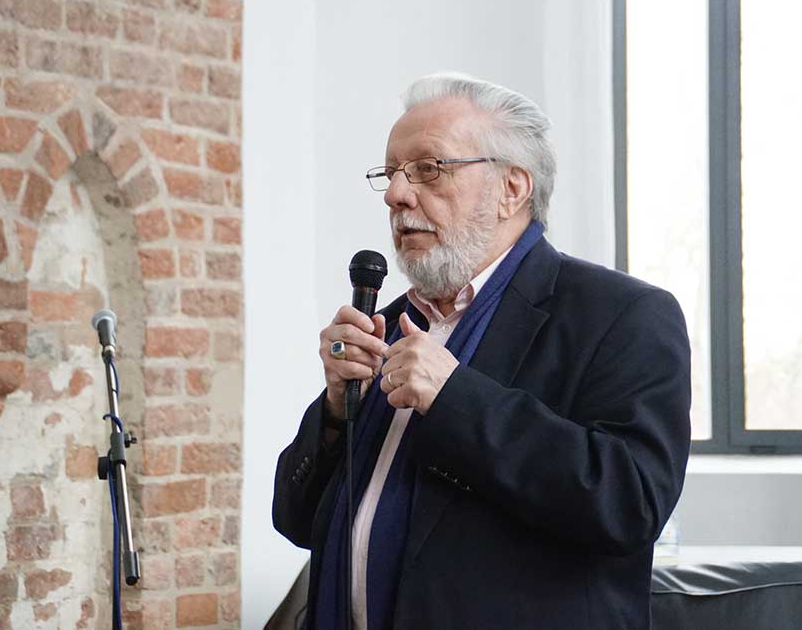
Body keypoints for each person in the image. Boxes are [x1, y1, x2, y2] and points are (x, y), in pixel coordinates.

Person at [273, 73, 691, 630]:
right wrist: (333, 411)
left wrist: (455, 399)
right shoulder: (391, 321)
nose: (398, 193)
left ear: (511, 189)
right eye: (391, 173)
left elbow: (630, 502)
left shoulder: (622, 315)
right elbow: (299, 521)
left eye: (428, 168)